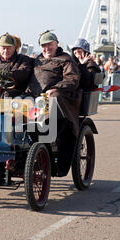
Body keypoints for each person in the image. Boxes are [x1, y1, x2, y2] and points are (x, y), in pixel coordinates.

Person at [26, 30, 81, 176]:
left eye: (50, 44)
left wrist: (56, 88)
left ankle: (56, 154)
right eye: (44, 45)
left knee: (53, 99)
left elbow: (73, 79)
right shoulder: (36, 60)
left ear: (56, 44)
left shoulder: (66, 59)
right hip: (34, 100)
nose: (47, 48)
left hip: (60, 100)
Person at [0, 33, 33, 98]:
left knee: (8, 95)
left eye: (9, 48)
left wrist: (10, 74)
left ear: (14, 48)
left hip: (16, 98)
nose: (6, 51)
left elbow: (23, 73)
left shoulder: (23, 60)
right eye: (3, 48)